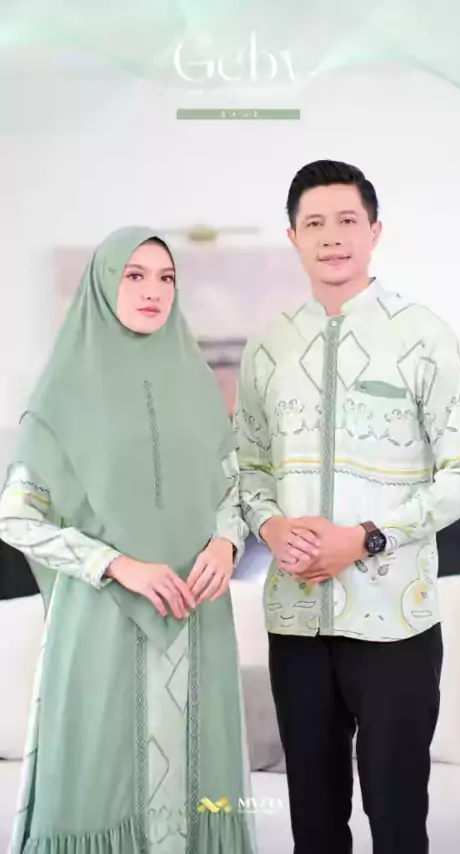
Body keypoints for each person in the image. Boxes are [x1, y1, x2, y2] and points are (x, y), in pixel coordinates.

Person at [234, 160, 460, 854]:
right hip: (295, 619)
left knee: (397, 820)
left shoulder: (424, 336)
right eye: (314, 223)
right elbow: (247, 469)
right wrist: (271, 525)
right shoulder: (267, 347)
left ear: (375, 231)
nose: (332, 236)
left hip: (396, 619)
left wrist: (366, 537)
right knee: (313, 823)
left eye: (347, 220)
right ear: (293, 237)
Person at [0, 227, 256, 854]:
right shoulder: (62, 395)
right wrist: (118, 564)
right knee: (99, 780)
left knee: (201, 786)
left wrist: (225, 545)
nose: (153, 291)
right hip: (102, 620)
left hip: (198, 616)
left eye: (166, 277)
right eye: (134, 275)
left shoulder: (199, 386)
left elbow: (235, 492)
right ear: (103, 285)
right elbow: (16, 519)